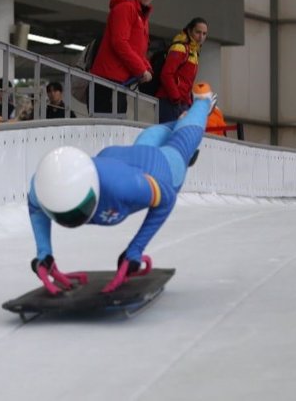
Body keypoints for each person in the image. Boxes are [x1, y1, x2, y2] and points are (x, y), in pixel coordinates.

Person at [27, 84, 215, 295]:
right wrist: (45, 254)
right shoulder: (42, 184)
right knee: (158, 133)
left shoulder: (126, 187)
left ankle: (203, 100)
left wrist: (135, 250)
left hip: (161, 167)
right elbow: (35, 204)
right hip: (121, 158)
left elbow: (167, 199)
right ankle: (184, 119)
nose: (74, 219)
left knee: (183, 141)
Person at [89, 0, 158, 115]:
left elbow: (137, 49)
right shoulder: (126, 8)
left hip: (120, 81)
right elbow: (119, 42)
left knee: (115, 128)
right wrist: (141, 69)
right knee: (106, 129)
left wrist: (146, 67)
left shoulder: (141, 15)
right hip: (108, 80)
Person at [156, 17, 208, 123]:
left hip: (181, 103)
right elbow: (166, 74)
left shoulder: (194, 53)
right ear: (189, 31)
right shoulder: (181, 48)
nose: (201, 37)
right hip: (170, 102)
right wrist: (176, 97)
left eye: (204, 33)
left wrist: (187, 102)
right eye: (198, 32)